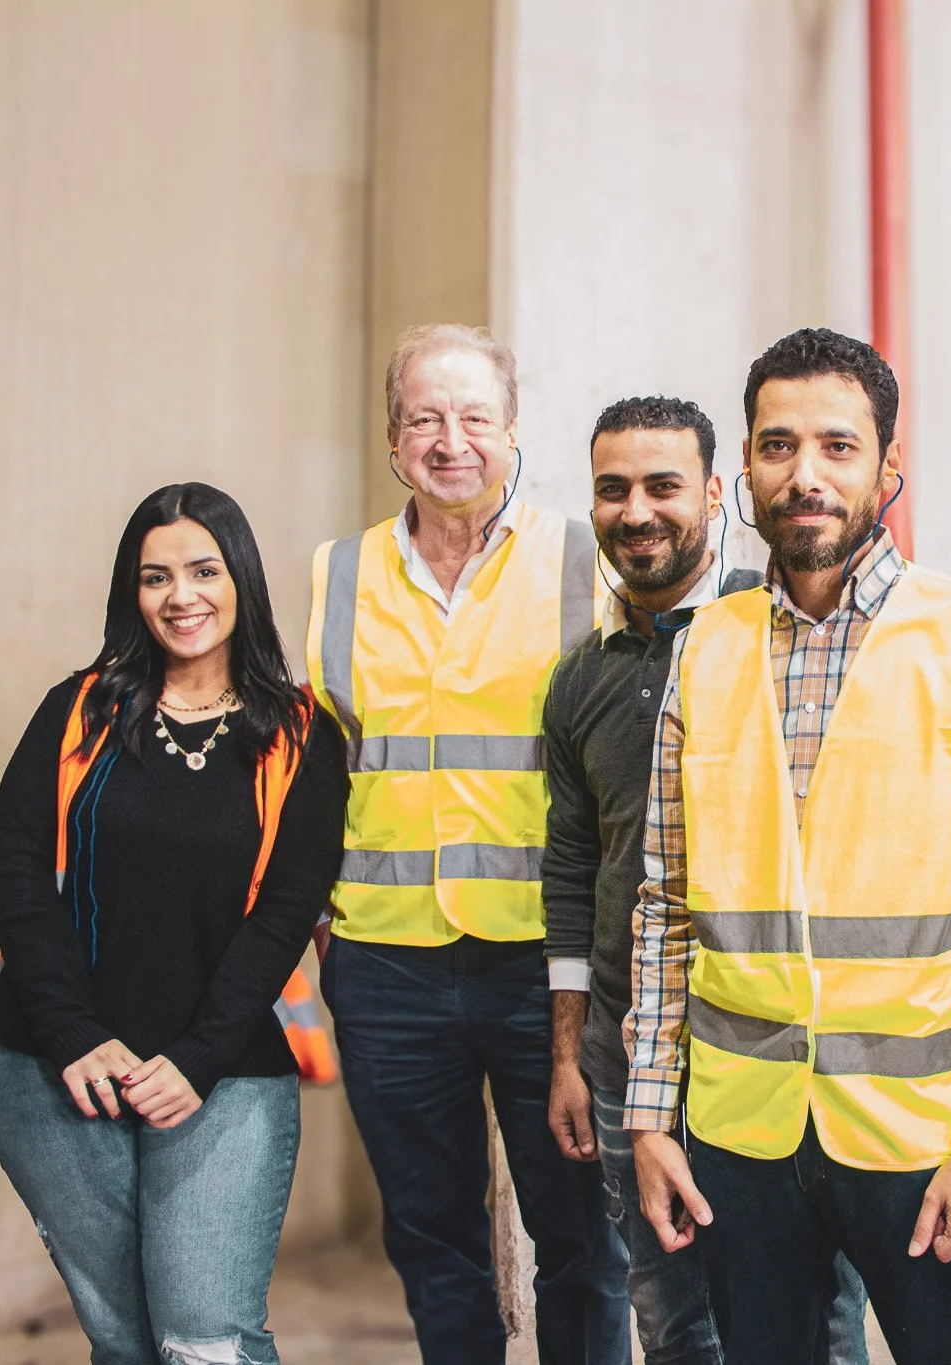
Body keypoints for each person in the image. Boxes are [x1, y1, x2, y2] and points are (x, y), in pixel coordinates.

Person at [625, 328, 951, 1365]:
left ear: (888, 469)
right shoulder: (705, 647)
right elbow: (664, 896)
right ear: (746, 470)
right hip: (740, 1131)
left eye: (836, 446)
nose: (804, 475)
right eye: (777, 447)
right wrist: (652, 1118)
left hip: (918, 1137)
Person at [306, 323, 625, 1363]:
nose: (451, 441)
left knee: (579, 1239)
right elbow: (310, 767)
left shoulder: (585, 560)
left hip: (546, 971)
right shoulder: (335, 575)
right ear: (393, 438)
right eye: (425, 419)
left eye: (473, 417)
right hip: (385, 965)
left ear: (512, 430)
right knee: (433, 1241)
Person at [0, 482, 347, 1365]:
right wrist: (74, 1036)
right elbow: (18, 874)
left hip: (223, 1075)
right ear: (130, 591)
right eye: (155, 577)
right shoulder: (79, 710)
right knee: (126, 1342)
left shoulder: (301, 732)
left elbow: (285, 912)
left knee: (208, 1342)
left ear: (241, 579)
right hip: (55, 1069)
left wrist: (196, 1056)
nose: (181, 596)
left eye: (203, 570)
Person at [540, 394, 870, 1363]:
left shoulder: (778, 643)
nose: (635, 510)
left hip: (761, 1053)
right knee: (675, 1325)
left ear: (716, 494)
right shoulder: (580, 678)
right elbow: (570, 870)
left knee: (813, 1323)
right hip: (619, 1053)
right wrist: (567, 1054)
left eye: (662, 485)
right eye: (612, 489)